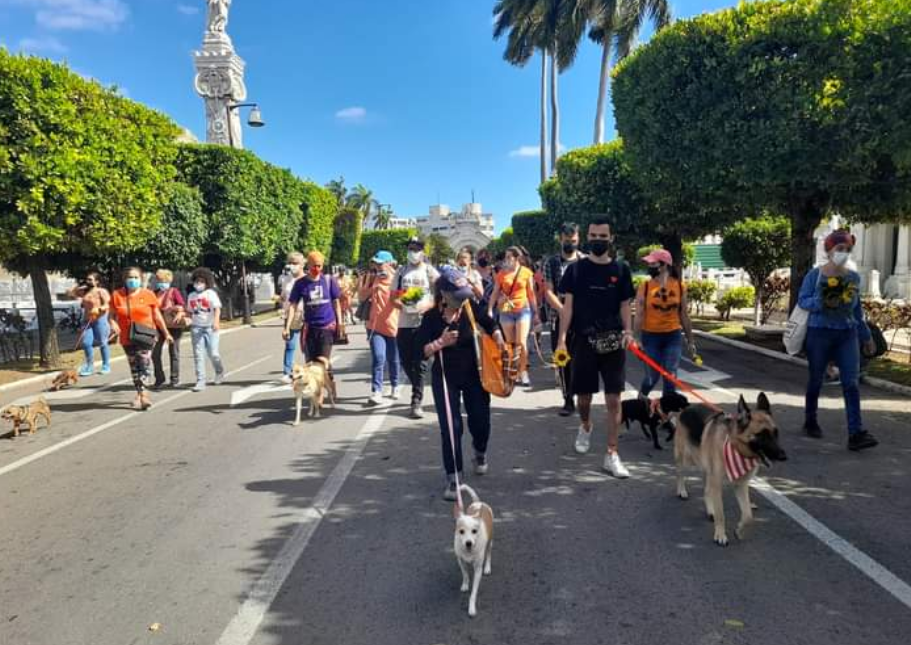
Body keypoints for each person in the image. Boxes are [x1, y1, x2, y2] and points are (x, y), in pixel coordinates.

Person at [417, 266, 505, 501]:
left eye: (464, 295)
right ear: (444, 295)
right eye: (457, 296)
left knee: (481, 421)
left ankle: (480, 450)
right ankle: (454, 477)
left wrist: (497, 336)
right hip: (445, 377)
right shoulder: (431, 317)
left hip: (475, 374)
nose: (462, 300)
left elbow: (490, 323)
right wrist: (440, 343)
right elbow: (421, 351)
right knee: (451, 427)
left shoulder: (469, 308)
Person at [556, 219, 635, 479]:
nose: (597, 239)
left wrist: (628, 331)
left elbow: (625, 304)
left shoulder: (621, 269)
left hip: (613, 341)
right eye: (593, 235)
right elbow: (567, 307)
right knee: (584, 398)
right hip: (583, 341)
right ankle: (585, 424)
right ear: (586, 237)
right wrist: (562, 339)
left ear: (611, 238)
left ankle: (611, 453)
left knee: (614, 398)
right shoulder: (575, 271)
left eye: (603, 235)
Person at [799, 230, 878, 451]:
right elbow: (803, 300)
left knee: (851, 383)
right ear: (829, 250)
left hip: (847, 334)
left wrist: (866, 337)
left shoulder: (853, 277)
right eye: (839, 249)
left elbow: (857, 310)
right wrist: (823, 300)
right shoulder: (814, 276)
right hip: (819, 332)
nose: (843, 253)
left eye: (847, 250)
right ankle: (810, 420)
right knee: (816, 379)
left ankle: (856, 433)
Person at [634, 248, 696, 398]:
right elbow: (639, 314)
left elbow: (684, 315)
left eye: (652, 263)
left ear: (664, 265)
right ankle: (641, 402)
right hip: (650, 337)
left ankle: (667, 411)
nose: (649, 266)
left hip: (672, 336)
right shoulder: (645, 286)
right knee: (651, 377)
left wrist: (690, 340)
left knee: (670, 375)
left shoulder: (680, 287)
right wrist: (636, 338)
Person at [111, 267, 173, 410]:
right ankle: (139, 393)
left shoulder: (148, 294)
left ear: (140, 279)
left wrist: (166, 333)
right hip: (127, 337)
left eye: (136, 277)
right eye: (130, 277)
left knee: (144, 363)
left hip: (145, 335)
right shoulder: (117, 295)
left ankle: (144, 395)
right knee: (134, 367)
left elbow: (157, 315)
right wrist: (112, 323)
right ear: (125, 279)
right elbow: (111, 315)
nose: (133, 280)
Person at [393, 237, 440, 419]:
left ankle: (416, 402)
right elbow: (393, 298)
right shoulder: (401, 272)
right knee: (406, 362)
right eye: (410, 248)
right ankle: (417, 386)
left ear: (422, 251)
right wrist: (404, 305)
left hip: (423, 324)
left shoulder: (429, 271)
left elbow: (440, 292)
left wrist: (429, 306)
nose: (413, 252)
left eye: (416, 248)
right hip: (404, 323)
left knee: (419, 363)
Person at [544, 223, 586, 416]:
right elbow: (548, 291)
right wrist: (563, 310)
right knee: (563, 358)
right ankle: (568, 398)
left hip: (583, 316)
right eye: (567, 241)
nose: (571, 244)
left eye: (574, 241)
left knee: (582, 358)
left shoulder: (585, 261)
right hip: (558, 316)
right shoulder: (551, 263)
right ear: (560, 239)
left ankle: (581, 395)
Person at [283, 250, 344, 369]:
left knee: (323, 363)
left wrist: (340, 323)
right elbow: (293, 305)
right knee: (310, 365)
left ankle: (328, 382)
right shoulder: (301, 283)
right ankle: (316, 387)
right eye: (313, 265)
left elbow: (336, 302)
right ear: (308, 265)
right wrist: (287, 327)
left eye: (319, 266)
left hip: (327, 327)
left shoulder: (328, 280)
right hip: (310, 328)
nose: (316, 268)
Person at [488, 246, 538, 387]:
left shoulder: (526, 272)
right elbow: (495, 292)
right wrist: (490, 309)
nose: (506, 260)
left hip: (523, 308)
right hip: (506, 309)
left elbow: (531, 293)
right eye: (506, 257)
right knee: (510, 343)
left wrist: (536, 313)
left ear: (517, 258)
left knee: (521, 342)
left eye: (509, 257)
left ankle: (523, 372)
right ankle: (513, 371)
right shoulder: (501, 274)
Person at [358, 251, 402, 406]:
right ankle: (376, 391)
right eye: (375, 263)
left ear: (389, 263)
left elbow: (407, 301)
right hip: (374, 326)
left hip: (394, 326)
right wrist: (367, 284)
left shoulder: (399, 279)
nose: (377, 266)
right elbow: (361, 297)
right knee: (378, 358)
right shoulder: (372, 278)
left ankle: (395, 385)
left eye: (380, 263)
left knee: (394, 360)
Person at [187, 267, 225, 392]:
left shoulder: (210, 294)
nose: (199, 284)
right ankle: (200, 381)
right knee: (198, 355)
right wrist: (187, 319)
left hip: (210, 327)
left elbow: (217, 308)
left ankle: (219, 371)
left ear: (207, 282)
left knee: (213, 353)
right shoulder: (191, 296)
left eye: (202, 281)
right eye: (197, 281)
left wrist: (216, 322)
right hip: (196, 328)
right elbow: (190, 312)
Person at [69, 271, 112, 377]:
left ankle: (106, 364)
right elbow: (70, 294)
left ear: (97, 281)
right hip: (87, 320)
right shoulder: (85, 291)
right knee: (86, 343)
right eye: (87, 279)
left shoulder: (101, 291)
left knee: (102, 342)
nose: (88, 281)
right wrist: (78, 287)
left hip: (100, 319)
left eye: (90, 279)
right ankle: (89, 365)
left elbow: (108, 304)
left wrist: (99, 308)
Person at [151, 269, 187, 388]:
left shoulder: (173, 291)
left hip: (174, 325)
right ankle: (159, 378)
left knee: (174, 352)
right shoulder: (154, 293)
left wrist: (180, 313)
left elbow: (182, 305)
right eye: (159, 280)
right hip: (159, 326)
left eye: (164, 280)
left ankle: (174, 379)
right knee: (155, 353)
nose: (161, 282)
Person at [280, 252, 306, 383]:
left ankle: (309, 369)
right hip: (290, 316)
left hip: (305, 315)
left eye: (295, 263)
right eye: (290, 263)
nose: (292, 266)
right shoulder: (286, 280)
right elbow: (284, 296)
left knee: (307, 344)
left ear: (302, 264)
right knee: (290, 344)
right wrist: (281, 304)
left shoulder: (307, 279)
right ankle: (287, 372)